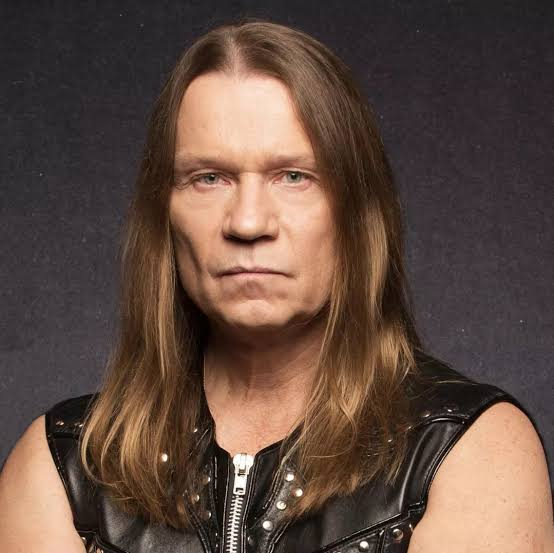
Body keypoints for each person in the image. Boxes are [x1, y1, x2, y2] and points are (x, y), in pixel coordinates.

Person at [0, 17, 552, 553]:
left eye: (293, 176)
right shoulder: (63, 467)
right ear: (162, 216)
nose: (248, 222)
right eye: (208, 178)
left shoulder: (464, 449)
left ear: (359, 214)